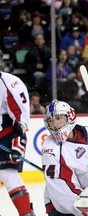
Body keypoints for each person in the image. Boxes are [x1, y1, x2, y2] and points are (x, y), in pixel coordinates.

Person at [0, 51, 35, 215]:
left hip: (5, 134)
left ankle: (26, 212)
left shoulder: (11, 83)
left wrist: (16, 144)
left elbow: (20, 120)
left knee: (7, 174)